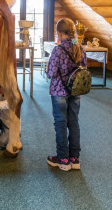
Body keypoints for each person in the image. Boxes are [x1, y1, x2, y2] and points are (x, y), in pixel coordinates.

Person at [46, 18, 87, 171]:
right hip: (75, 91)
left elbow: (51, 73)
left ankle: (63, 159)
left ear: (59, 33)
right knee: (74, 122)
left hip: (59, 91)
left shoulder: (58, 50)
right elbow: (84, 70)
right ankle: (75, 159)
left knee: (60, 123)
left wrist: (47, 71)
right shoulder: (80, 48)